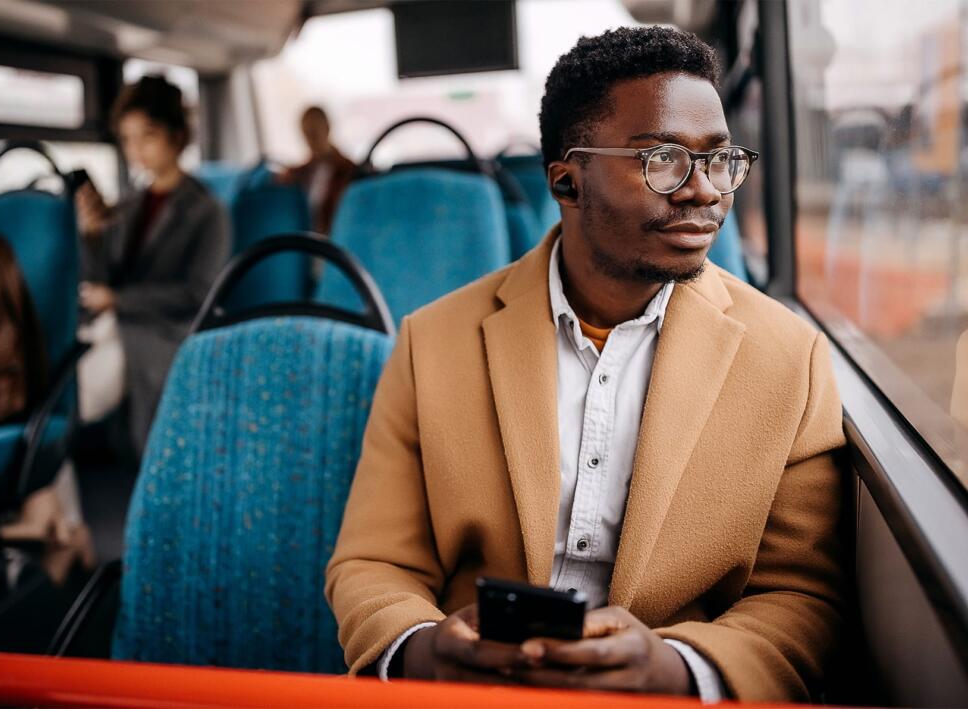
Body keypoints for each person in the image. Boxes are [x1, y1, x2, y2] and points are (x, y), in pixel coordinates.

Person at [326, 27, 847, 702]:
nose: (703, 190)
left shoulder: (791, 357)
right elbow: (373, 561)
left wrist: (679, 667)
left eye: (720, 161)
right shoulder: (433, 342)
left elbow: (801, 591)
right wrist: (426, 648)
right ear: (568, 180)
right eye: (662, 158)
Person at [75, 75, 230, 458]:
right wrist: (91, 237)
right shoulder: (127, 206)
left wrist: (117, 300)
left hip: (168, 330)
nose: (136, 150)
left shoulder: (207, 212)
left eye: (147, 136)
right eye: (127, 140)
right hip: (120, 324)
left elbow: (198, 293)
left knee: (75, 393)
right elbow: (103, 278)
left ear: (176, 136)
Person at [276, 106, 356, 234]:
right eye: (306, 134)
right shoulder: (300, 173)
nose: (310, 140)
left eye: (314, 132)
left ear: (327, 128)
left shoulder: (350, 171)